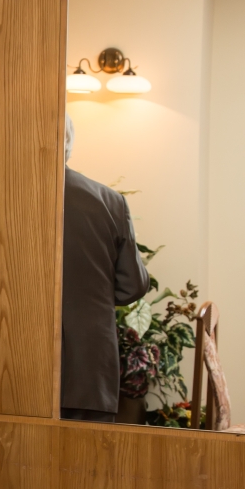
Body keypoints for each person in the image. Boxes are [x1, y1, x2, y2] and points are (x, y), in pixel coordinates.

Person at [61, 114, 150, 422]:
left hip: (11, 368)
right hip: (90, 370)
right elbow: (131, 287)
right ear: (69, 141)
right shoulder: (110, 201)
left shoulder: (5, 198)